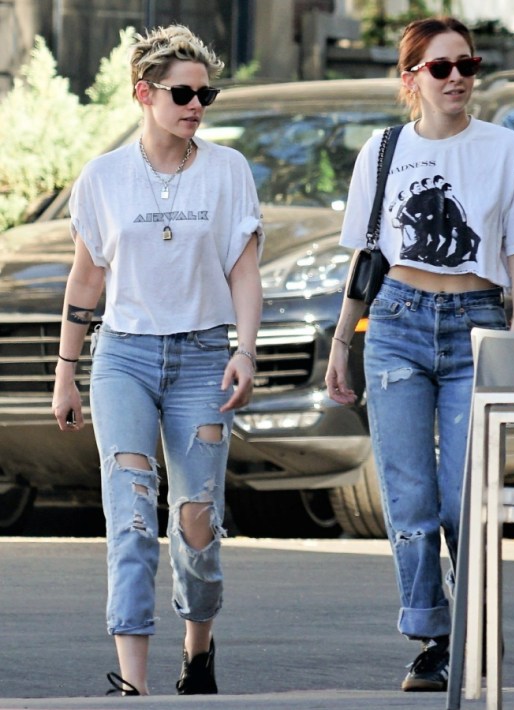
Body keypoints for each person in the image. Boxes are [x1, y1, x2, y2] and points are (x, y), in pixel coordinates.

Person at [325, 16, 514, 693]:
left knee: (463, 499)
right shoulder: (384, 149)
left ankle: (477, 621)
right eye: (440, 67)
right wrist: (343, 343)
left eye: (467, 64)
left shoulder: (506, 149)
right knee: (408, 498)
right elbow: (368, 256)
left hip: (477, 325)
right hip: (396, 320)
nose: (457, 77)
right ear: (412, 79)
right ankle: (436, 637)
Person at [51, 24, 263, 696]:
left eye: (206, 92)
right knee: (133, 514)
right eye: (182, 92)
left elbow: (245, 272)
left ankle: (197, 649)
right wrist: (67, 371)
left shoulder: (228, 170)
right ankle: (133, 682)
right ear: (143, 93)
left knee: (197, 522)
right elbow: (86, 280)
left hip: (204, 358)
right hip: (125, 361)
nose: (196, 104)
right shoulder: (104, 177)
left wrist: (246, 352)